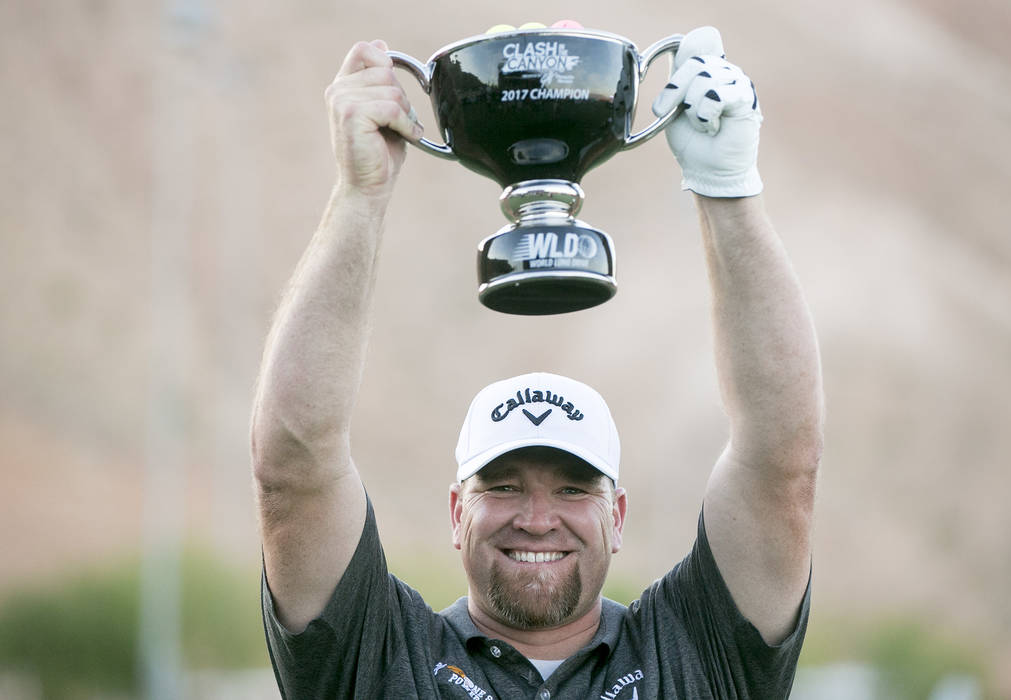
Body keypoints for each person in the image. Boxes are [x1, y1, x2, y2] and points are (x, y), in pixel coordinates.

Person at [250, 25, 824, 699]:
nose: (537, 517)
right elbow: (293, 465)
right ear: (457, 511)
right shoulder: (379, 654)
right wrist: (360, 194)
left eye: (574, 489)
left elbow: (782, 459)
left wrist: (728, 189)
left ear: (617, 515)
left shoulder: (693, 649)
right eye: (503, 485)